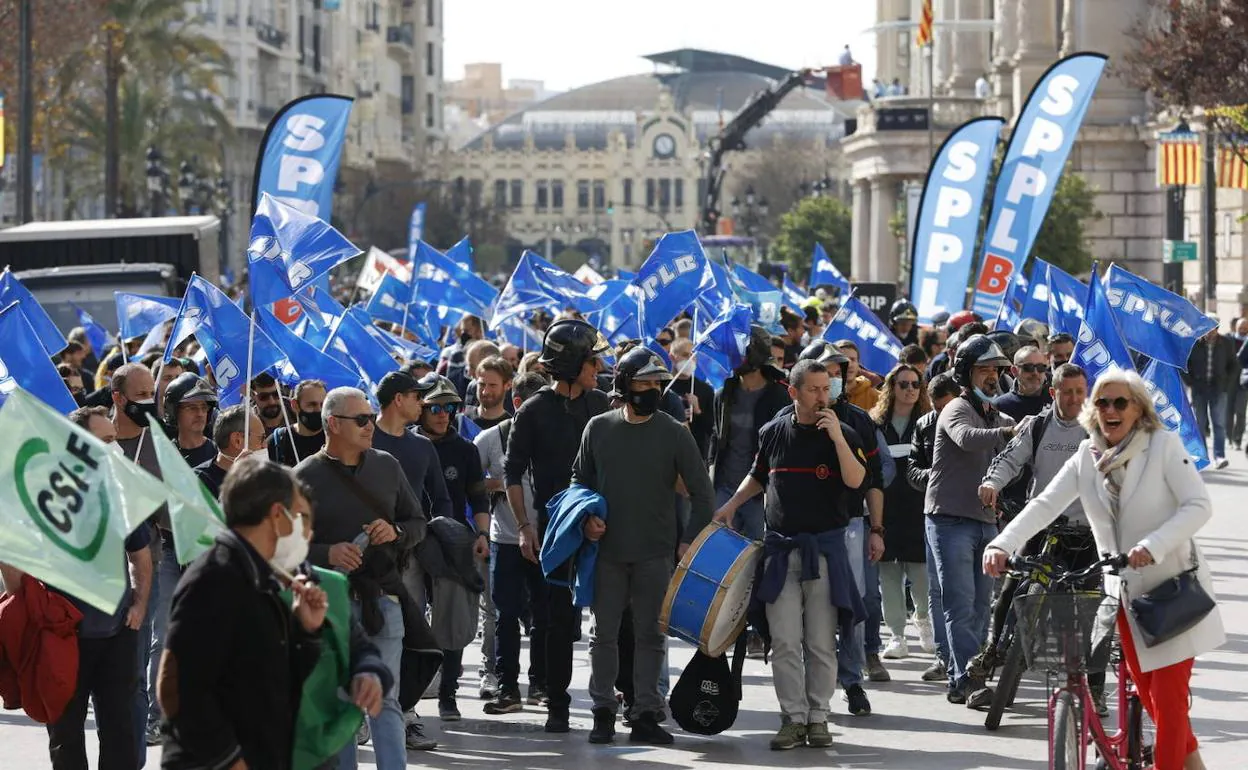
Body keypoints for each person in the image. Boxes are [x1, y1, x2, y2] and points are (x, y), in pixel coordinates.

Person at [984, 369, 1225, 770]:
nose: (1110, 410)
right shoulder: (1086, 455)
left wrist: (1153, 546)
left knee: (1166, 704)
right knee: (1153, 700)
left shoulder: (1162, 446)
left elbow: (1199, 506)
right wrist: (1001, 544)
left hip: (1171, 594)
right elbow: (1044, 505)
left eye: (1120, 402)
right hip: (1123, 597)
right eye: (1102, 402)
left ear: (1138, 409)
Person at [714, 359, 866, 750]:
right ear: (794, 392)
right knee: (783, 641)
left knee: (819, 641)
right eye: (814, 389)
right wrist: (730, 505)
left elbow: (856, 481)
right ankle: (793, 718)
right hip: (782, 550)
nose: (822, 396)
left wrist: (837, 439)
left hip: (825, 552)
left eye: (826, 388)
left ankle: (819, 717)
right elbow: (759, 476)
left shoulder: (843, 431)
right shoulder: (772, 432)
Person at [572, 347, 715, 746]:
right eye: (644, 382)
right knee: (603, 635)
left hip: (655, 553)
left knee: (653, 635)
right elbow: (577, 482)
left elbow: (703, 494)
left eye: (657, 382)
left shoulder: (674, 432)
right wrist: (586, 518)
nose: (652, 389)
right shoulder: (598, 428)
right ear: (623, 384)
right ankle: (602, 710)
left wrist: (690, 539)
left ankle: (647, 712)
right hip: (607, 554)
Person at [158, 459, 338, 770]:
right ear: (276, 514)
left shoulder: (261, 574)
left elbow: (276, 680)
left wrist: (307, 631)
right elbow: (175, 686)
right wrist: (228, 760)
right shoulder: (216, 577)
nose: (304, 528)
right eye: (298, 514)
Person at [295, 387, 428, 770]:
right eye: (362, 420)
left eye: (370, 417)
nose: (371, 425)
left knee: (385, 697)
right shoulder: (303, 477)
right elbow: (284, 547)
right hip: (329, 605)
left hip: (384, 598)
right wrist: (326, 553)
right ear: (333, 424)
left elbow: (418, 523)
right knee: (340, 701)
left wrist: (396, 532)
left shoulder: (387, 465)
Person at [972, 362, 1102, 710]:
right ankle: (992, 656)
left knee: (1093, 612)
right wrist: (991, 483)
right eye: (1067, 392)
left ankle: (1097, 688)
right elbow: (1009, 460)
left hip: (1088, 534)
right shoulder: (1038, 425)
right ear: (1052, 392)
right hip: (1043, 527)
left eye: (1080, 391)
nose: (1075, 399)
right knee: (1011, 594)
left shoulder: (1099, 430)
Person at [503, 319, 611, 733]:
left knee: (612, 619)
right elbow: (513, 473)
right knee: (554, 622)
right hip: (556, 532)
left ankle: (617, 702)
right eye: (591, 359)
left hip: (602, 527)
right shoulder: (532, 411)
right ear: (571, 363)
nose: (598, 366)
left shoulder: (602, 404)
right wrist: (525, 526)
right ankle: (557, 703)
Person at [44, 406, 152, 770]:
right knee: (65, 734)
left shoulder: (120, 492)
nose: (113, 448)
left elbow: (140, 555)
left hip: (117, 633)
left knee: (120, 731)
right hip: (63, 635)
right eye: (104, 441)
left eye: (114, 440)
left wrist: (138, 605)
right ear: (79, 444)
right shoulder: (48, 495)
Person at [793, 341, 888, 712]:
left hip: (848, 527)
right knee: (803, 610)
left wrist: (876, 529)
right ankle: (812, 687)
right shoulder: (788, 420)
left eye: (837, 373)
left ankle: (852, 681)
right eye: (824, 374)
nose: (831, 381)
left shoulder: (859, 421)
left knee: (851, 605)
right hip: (801, 531)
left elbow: (875, 480)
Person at [925, 334, 1016, 704]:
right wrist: (1010, 431)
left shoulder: (999, 414)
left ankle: (967, 676)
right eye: (984, 369)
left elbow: (1020, 447)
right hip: (948, 519)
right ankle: (965, 680)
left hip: (984, 521)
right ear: (966, 373)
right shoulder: (956, 409)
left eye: (996, 369)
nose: (992, 377)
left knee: (982, 606)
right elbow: (966, 438)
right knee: (960, 604)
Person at [413, 373, 491, 722]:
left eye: (450, 407)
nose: (443, 414)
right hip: (412, 543)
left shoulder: (465, 450)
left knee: (454, 619)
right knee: (413, 619)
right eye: (435, 407)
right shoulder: (406, 446)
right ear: (419, 409)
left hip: (455, 541)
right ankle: (410, 697)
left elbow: (478, 496)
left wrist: (483, 535)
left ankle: (448, 693)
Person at [476, 372, 551, 715]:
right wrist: (499, 485)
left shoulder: (557, 435)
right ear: (518, 405)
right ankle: (508, 688)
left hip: (548, 538)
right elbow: (471, 484)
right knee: (506, 615)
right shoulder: (492, 438)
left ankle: (541, 685)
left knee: (545, 615)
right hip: (506, 539)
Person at [871, 365, 935, 660]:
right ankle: (896, 635)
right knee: (889, 576)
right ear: (891, 387)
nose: (910, 389)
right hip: (884, 508)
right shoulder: (876, 423)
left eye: (915, 384)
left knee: (921, 576)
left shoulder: (928, 423)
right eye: (903, 384)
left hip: (918, 508)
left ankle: (924, 623)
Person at [710, 326, 791, 543]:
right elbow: (716, 438)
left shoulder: (779, 397)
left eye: (740, 352)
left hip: (760, 494)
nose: (734, 358)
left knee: (757, 560)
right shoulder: (723, 394)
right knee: (719, 554)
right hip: (724, 489)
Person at [906, 372, 960, 683]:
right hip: (936, 515)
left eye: (948, 408)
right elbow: (913, 471)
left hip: (971, 516)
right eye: (937, 408)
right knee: (937, 590)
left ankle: (969, 655)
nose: (943, 416)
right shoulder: (924, 425)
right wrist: (938, 476)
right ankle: (944, 656)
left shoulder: (975, 421)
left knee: (969, 593)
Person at [1184, 323, 1236, 468]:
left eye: (1212, 328)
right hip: (1199, 390)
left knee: (1219, 424)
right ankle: (1202, 456)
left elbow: (1233, 365)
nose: (1209, 331)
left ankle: (1219, 456)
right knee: (1199, 423)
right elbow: (1184, 365)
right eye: (1206, 328)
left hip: (1218, 390)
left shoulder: (1226, 343)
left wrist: (1226, 384)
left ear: (1217, 329)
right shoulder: (1194, 343)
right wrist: (1191, 382)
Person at [195, 405, 267, 499]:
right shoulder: (200, 480)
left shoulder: (260, 476)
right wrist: (234, 482)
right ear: (237, 441)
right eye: (262, 438)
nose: (265, 445)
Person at [668, 338, 716, 463]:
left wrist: (698, 410)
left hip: (697, 454)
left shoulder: (705, 389)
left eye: (693, 355)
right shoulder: (664, 386)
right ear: (672, 357)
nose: (690, 359)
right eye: (685, 355)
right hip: (668, 452)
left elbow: (713, 429)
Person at [162, 373, 218, 468]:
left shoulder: (219, 454)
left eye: (204, 407)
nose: (200, 413)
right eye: (192, 408)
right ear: (174, 411)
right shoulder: (163, 457)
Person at [267, 379, 327, 467]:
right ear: (295, 405)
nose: (319, 410)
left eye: (323, 405)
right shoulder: (278, 442)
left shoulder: (335, 438)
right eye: (311, 405)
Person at [994, 345, 1052, 422]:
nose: (1035, 373)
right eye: (1028, 367)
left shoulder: (1057, 400)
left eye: (1040, 367)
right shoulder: (1000, 406)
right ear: (1014, 371)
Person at [465, 355, 513, 430]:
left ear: (508, 385)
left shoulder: (511, 428)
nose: (485, 392)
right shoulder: (462, 420)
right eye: (482, 384)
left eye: (492, 385)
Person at [833, 340, 881, 412]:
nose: (849, 365)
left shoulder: (876, 397)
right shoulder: (825, 394)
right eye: (843, 359)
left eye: (853, 359)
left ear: (858, 364)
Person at [1229, 318, 1248, 450]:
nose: (1243, 330)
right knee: (1228, 411)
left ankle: (1237, 439)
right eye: (1241, 328)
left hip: (1244, 382)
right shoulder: (1227, 341)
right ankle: (1229, 435)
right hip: (1229, 381)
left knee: (1240, 412)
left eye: (1245, 328)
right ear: (1235, 327)